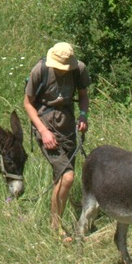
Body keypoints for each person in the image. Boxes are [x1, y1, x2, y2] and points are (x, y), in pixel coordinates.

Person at [23, 41, 92, 238]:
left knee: (61, 178)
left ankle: (57, 220)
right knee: (68, 176)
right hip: (45, 124)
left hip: (68, 125)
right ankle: (56, 227)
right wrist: (43, 131)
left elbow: (84, 95)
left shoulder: (78, 69)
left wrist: (83, 115)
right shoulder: (40, 70)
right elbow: (27, 104)